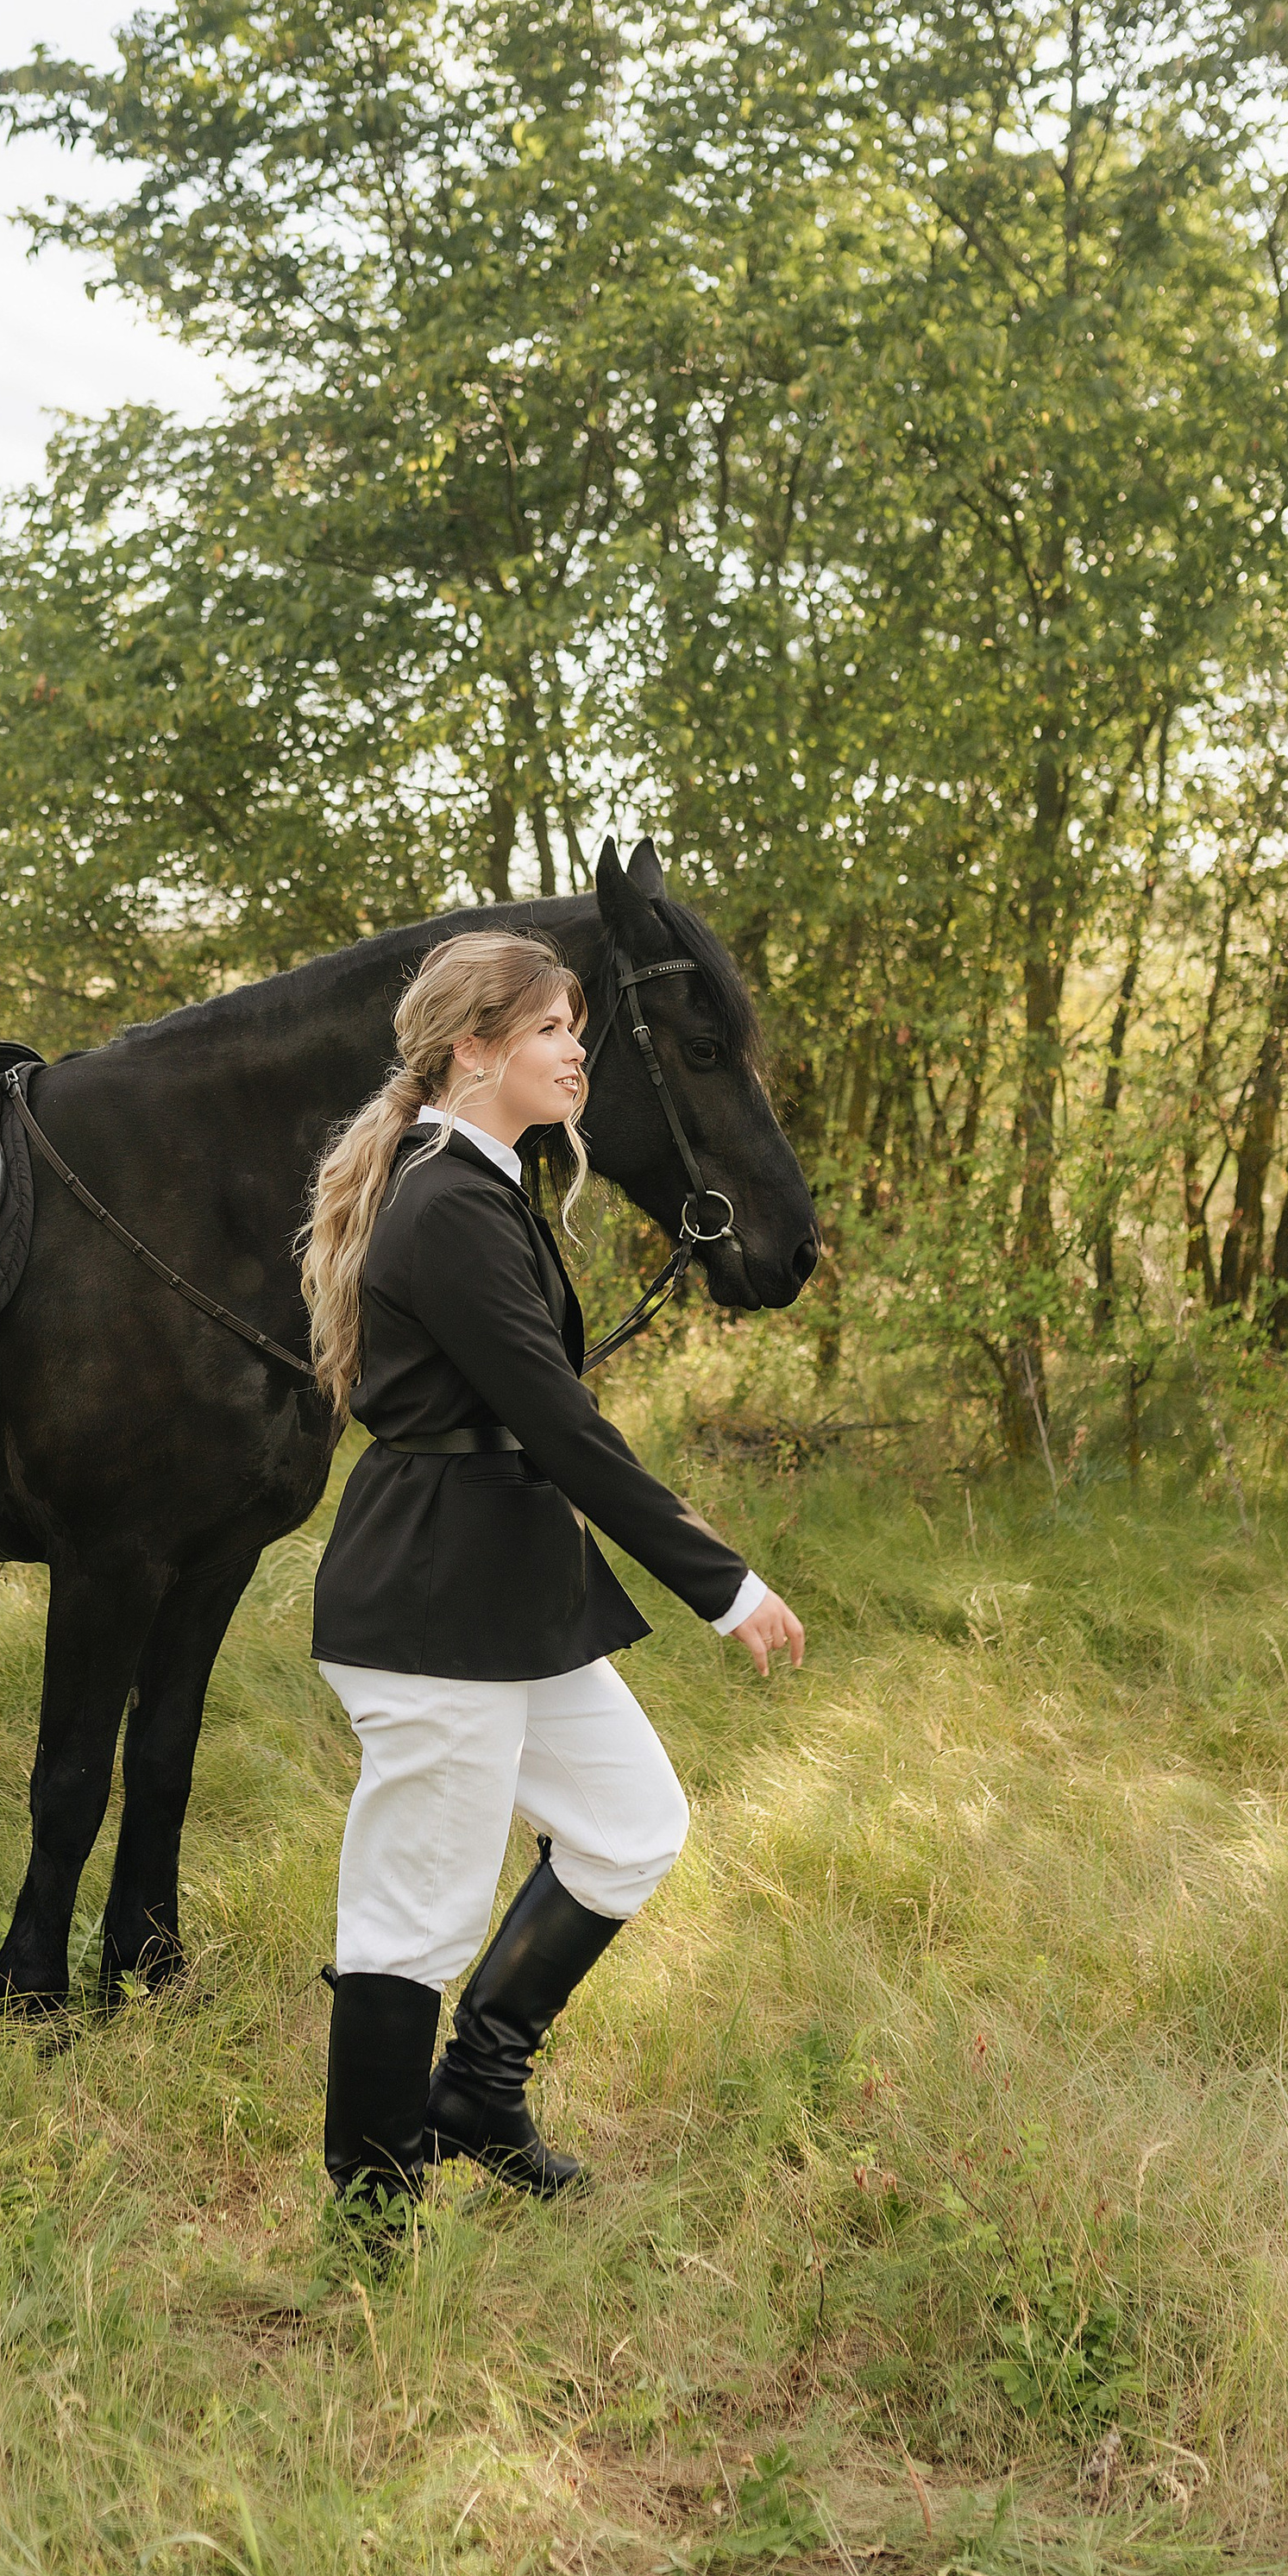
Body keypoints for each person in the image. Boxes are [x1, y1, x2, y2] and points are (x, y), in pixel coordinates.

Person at [298, 929, 806, 2236]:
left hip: (503, 1589)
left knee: (633, 1825)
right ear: (474, 1048)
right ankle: (371, 2216)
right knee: (417, 1907)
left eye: (578, 1025)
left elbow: (540, 1409)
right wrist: (724, 1583)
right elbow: (563, 1425)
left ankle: (473, 2091)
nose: (577, 1049)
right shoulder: (449, 1202)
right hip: (434, 1600)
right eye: (550, 1029)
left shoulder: (481, 1185)